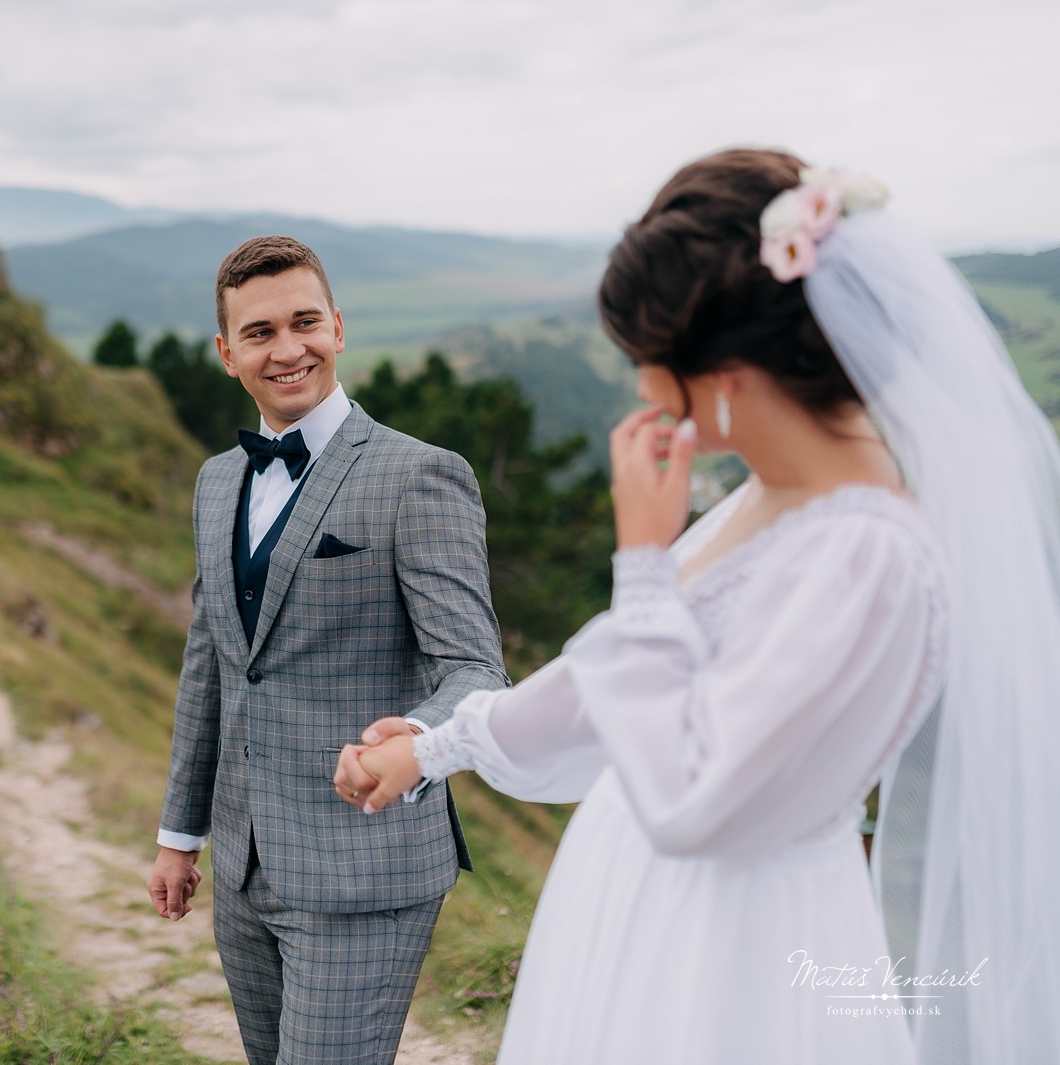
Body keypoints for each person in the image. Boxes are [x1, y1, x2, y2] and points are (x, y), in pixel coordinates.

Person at [336, 148, 1060, 1063]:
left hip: (738, 945)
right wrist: (433, 749)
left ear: (727, 377)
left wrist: (642, 558)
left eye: (648, 362)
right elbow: (604, 690)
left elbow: (694, 798)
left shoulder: (870, 556)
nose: (641, 387)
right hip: (632, 903)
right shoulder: (765, 496)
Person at [145, 235, 510, 1065]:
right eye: (260, 331)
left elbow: (476, 670)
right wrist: (180, 832)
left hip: (364, 863)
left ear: (338, 327)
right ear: (226, 352)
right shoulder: (214, 484)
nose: (288, 348)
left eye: (305, 322)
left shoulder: (421, 476)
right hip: (242, 867)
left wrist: (415, 739)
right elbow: (210, 664)